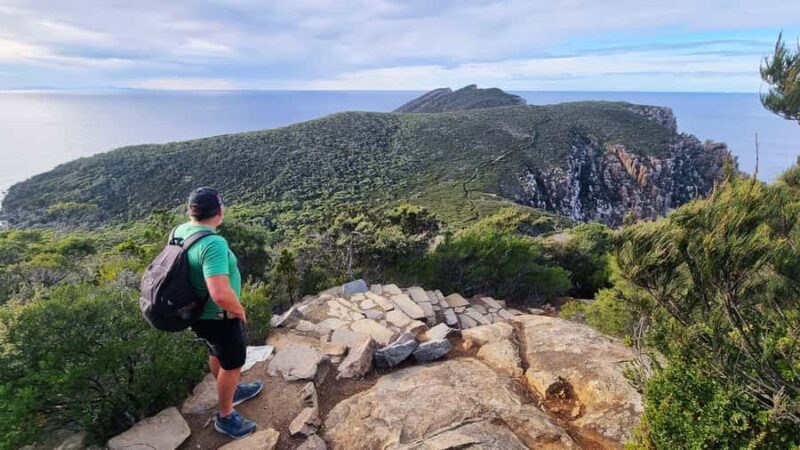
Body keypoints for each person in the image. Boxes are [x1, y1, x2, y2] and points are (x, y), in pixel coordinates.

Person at [172, 187, 262, 439]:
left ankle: (232, 391)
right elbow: (220, 294)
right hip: (219, 315)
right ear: (220, 211)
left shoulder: (180, 231)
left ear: (191, 211)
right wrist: (239, 310)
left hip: (197, 313)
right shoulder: (213, 243)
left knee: (217, 353)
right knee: (233, 364)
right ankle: (225, 417)